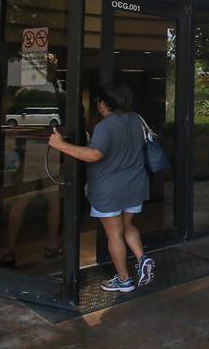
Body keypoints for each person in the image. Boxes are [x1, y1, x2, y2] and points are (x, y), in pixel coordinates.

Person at [48, 83, 155, 292]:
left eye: (97, 101)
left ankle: (124, 280)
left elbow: (95, 155)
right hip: (135, 185)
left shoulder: (105, 126)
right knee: (128, 225)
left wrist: (60, 145)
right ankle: (142, 259)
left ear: (104, 103)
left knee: (114, 234)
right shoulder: (136, 119)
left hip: (110, 189)